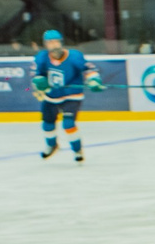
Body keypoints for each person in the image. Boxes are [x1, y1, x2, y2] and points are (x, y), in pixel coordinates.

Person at [32, 28, 103, 162]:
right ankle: (52, 145)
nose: (54, 45)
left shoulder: (74, 56)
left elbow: (89, 68)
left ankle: (77, 150)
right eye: (50, 42)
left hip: (72, 96)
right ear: (46, 45)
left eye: (56, 42)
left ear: (61, 42)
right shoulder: (41, 57)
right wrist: (39, 81)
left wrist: (94, 80)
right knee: (47, 125)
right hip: (51, 96)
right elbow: (36, 74)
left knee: (68, 124)